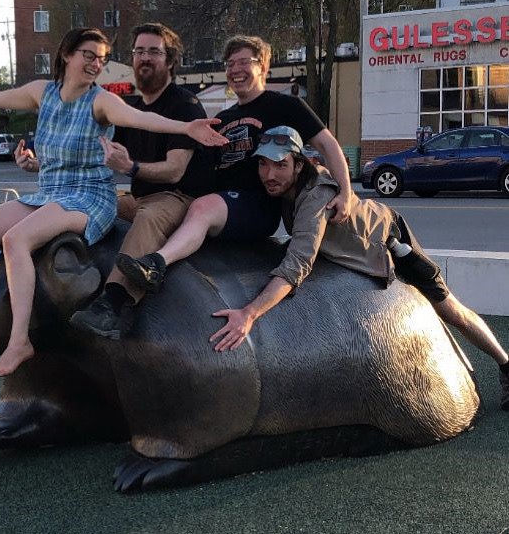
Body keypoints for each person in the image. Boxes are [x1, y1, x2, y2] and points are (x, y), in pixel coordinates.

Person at [0, 27, 227, 377]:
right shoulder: (41, 93)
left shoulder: (101, 101)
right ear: (67, 55)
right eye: (89, 56)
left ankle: (19, 341)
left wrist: (186, 128)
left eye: (102, 59)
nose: (96, 64)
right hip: (49, 191)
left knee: (16, 239)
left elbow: (141, 118)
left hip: (88, 196)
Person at [207, 125, 509, 410]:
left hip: (387, 239)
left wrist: (249, 313)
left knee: (450, 310)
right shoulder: (281, 191)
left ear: (299, 165)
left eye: (279, 165)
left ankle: (505, 363)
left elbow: (298, 262)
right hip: (336, 250)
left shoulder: (316, 196)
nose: (269, 174)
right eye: (263, 165)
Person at [114, 34, 352, 302]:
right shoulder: (222, 118)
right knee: (121, 207)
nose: (235, 70)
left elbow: (328, 145)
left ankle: (156, 264)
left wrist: (345, 192)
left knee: (203, 207)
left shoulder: (285, 105)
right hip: (221, 204)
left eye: (244, 62)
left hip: (255, 206)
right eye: (229, 64)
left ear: (262, 66)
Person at [65, 23, 214, 338]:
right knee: (91, 209)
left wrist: (131, 168)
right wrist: (38, 165)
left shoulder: (184, 105)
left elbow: (174, 171)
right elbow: (91, 154)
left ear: (170, 61)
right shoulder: (131, 109)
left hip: (178, 197)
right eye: (139, 51)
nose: (145, 58)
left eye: (154, 52)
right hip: (139, 197)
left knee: (148, 218)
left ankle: (113, 304)